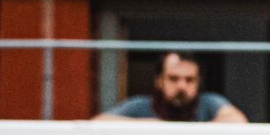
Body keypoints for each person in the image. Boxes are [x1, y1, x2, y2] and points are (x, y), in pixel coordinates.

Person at [94, 51, 247, 123]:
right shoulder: (141, 106)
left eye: (189, 80)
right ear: (159, 80)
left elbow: (237, 120)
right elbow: (98, 123)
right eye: (173, 79)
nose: (181, 86)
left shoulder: (209, 103)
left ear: (198, 82)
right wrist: (147, 126)